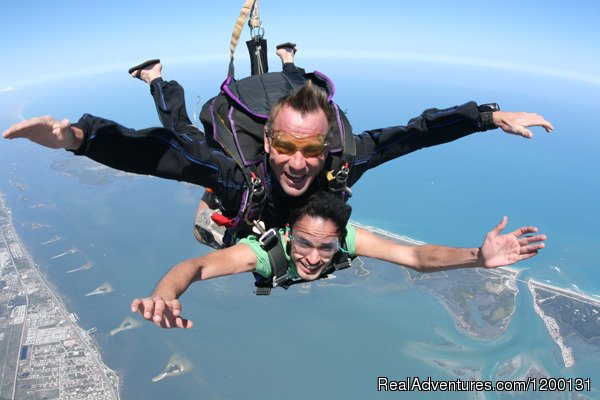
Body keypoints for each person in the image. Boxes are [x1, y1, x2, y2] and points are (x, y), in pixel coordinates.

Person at [2, 51, 554, 247]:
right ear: (267, 141)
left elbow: (412, 135)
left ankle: (290, 65)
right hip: (236, 181)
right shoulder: (241, 176)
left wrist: (488, 116)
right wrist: (78, 139)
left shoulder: (343, 162)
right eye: (285, 147)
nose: (297, 161)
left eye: (311, 150)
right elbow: (158, 155)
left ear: (327, 147)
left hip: (283, 205)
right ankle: (155, 77)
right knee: (188, 135)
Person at [130, 191, 546, 329]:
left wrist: (477, 257)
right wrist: (164, 295)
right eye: (305, 244)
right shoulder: (261, 253)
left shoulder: (346, 238)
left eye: (326, 247)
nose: (313, 258)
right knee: (202, 229)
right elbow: (195, 267)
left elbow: (415, 256)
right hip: (236, 228)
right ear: (289, 235)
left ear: (338, 241)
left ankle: (287, 60)